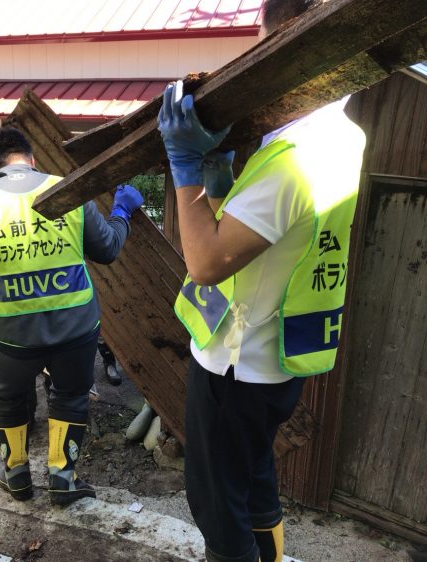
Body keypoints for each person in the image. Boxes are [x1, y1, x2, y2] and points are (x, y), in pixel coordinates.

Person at [157, 1, 366, 560]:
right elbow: (264, 236)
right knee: (252, 476)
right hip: (279, 358)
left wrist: (184, 169)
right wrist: (222, 188)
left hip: (235, 364)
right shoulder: (343, 137)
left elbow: (205, 263)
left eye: (259, 44)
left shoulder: (291, 158)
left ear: (289, 48)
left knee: (217, 504)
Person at [0, 126, 143, 506]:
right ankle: (63, 477)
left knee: (8, 401)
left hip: (12, 334)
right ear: (32, 160)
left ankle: (16, 475)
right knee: (71, 398)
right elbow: (107, 249)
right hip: (75, 327)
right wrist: (122, 211)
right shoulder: (68, 191)